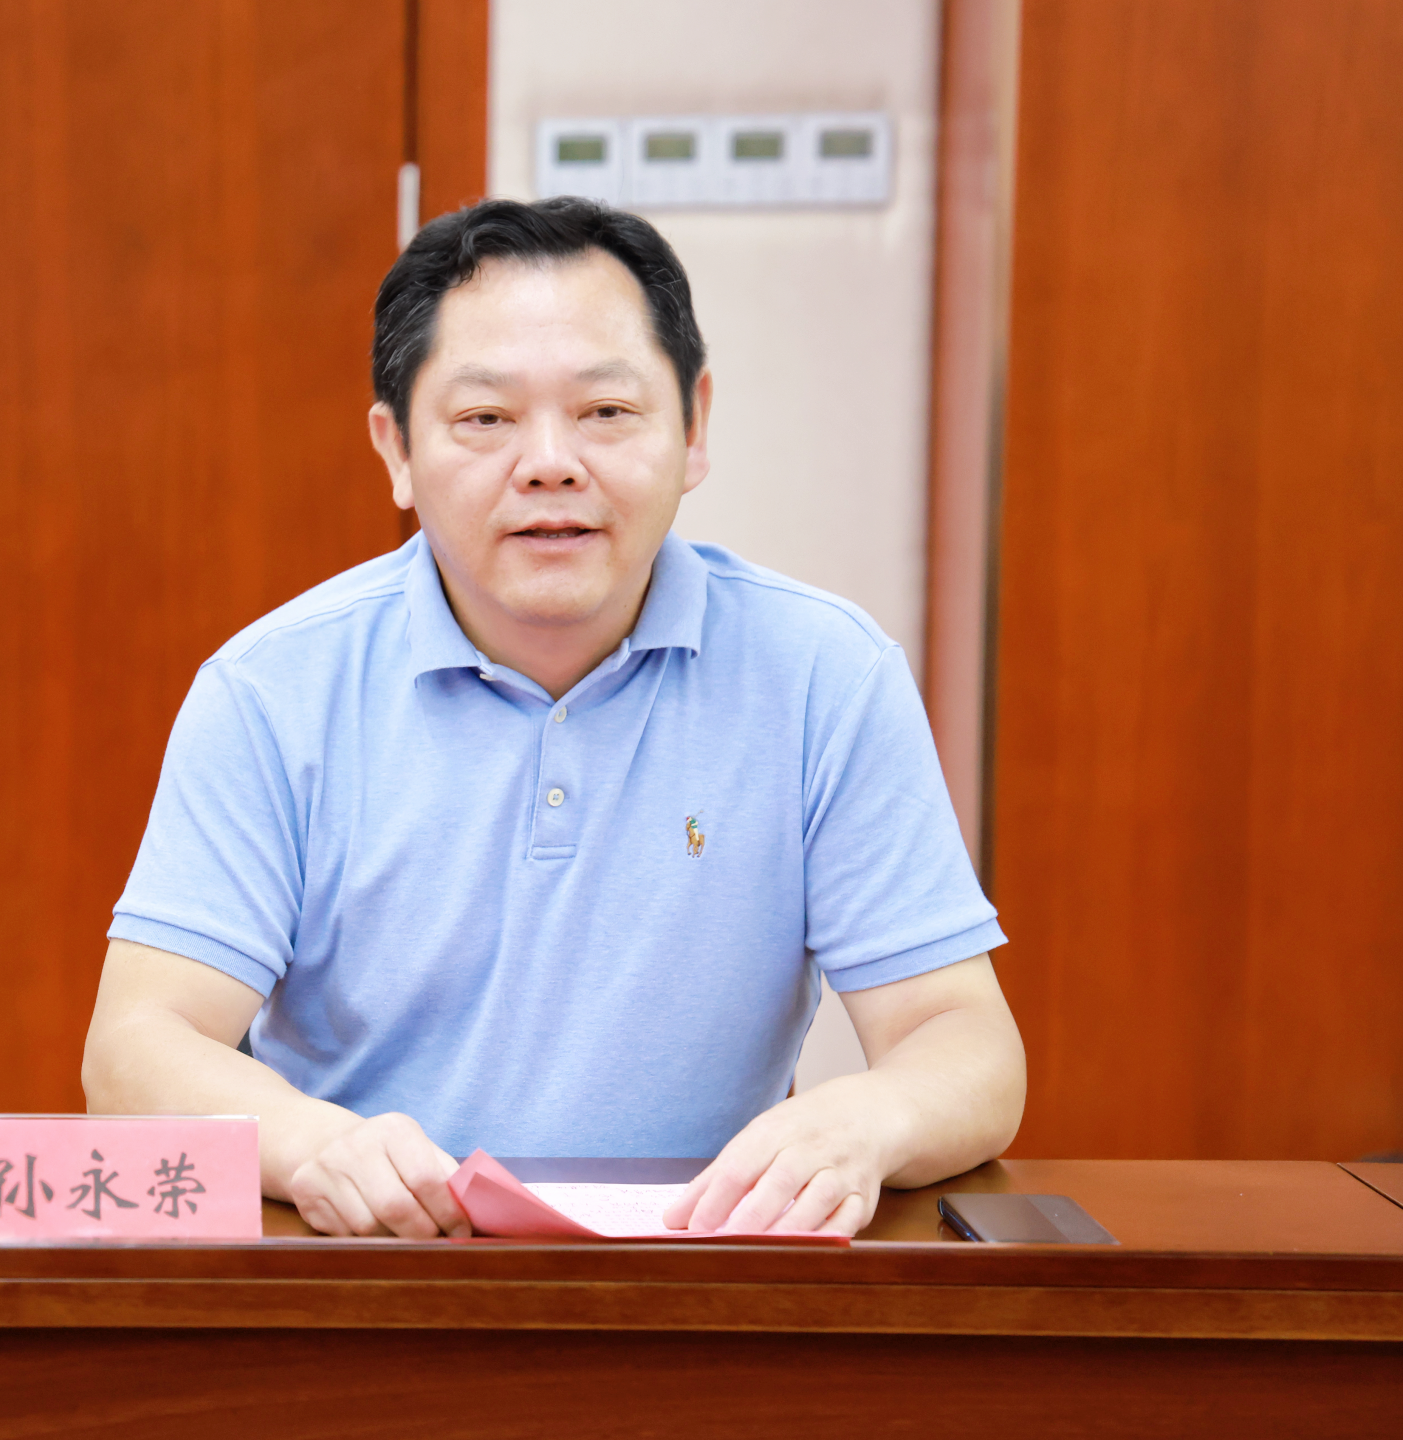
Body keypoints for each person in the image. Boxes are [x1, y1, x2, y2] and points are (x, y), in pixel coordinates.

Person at [83, 197, 1025, 1239]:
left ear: (694, 427)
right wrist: (311, 1144)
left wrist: (868, 1119)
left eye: (605, 412)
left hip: (698, 1278)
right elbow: (135, 1046)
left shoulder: (823, 677)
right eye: (485, 419)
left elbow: (966, 1042)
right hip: (372, 1269)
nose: (549, 463)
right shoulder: (273, 691)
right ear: (396, 451)